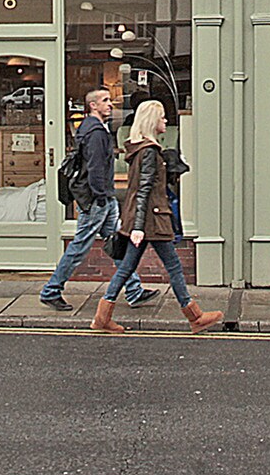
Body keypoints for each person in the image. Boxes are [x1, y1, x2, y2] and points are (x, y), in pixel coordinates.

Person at [91, 99, 220, 334]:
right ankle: (195, 317)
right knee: (173, 267)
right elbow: (144, 190)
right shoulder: (149, 151)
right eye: (162, 118)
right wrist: (139, 227)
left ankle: (103, 316)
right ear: (152, 121)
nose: (166, 121)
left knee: (127, 267)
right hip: (152, 219)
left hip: (143, 218)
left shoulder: (140, 149)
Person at [38, 89, 148, 311]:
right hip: (98, 199)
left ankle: (134, 290)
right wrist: (101, 196)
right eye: (105, 101)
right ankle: (51, 291)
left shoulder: (90, 128)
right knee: (80, 246)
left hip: (101, 198)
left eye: (110, 100)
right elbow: (96, 168)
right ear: (93, 106)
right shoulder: (96, 132)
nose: (110, 104)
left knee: (117, 242)